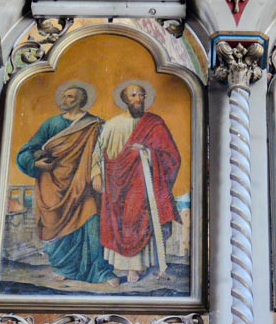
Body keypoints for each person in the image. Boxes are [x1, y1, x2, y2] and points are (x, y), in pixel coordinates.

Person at [16, 83, 112, 284]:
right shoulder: (51, 124)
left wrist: (99, 174)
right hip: (54, 181)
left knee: (92, 223)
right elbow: (27, 150)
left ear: (81, 100)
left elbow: (105, 152)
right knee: (61, 225)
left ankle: (101, 271)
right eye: (64, 96)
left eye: (70, 97)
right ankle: (65, 267)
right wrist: (36, 163)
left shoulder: (94, 125)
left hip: (85, 182)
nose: (64, 100)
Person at [92, 82, 182, 284]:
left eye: (141, 95)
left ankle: (136, 267)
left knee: (138, 219)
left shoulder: (155, 123)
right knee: (119, 221)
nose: (139, 99)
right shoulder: (113, 125)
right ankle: (120, 266)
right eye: (133, 95)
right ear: (125, 100)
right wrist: (96, 173)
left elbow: (172, 155)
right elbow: (98, 152)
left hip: (143, 182)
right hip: (116, 182)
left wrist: (148, 152)